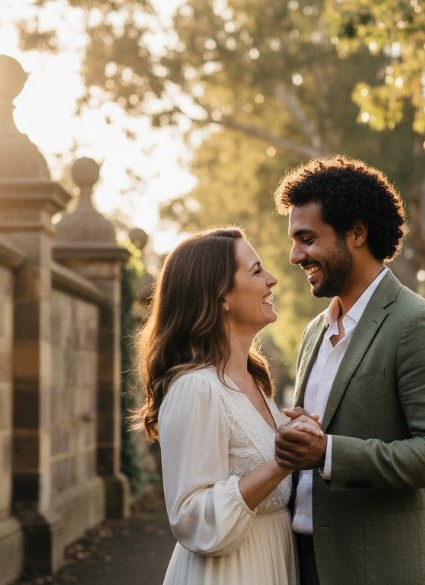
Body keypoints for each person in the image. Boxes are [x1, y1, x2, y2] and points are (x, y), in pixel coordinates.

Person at [272, 156, 425, 585]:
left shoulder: (417, 324)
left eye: (307, 239)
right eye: (293, 240)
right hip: (307, 563)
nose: (294, 255)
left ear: (357, 233)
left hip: (385, 569)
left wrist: (327, 453)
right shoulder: (314, 332)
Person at [135, 228, 318, 585]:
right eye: (256, 271)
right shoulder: (195, 388)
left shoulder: (256, 381)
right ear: (221, 297)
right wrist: (282, 462)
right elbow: (191, 518)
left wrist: (301, 437)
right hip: (228, 573)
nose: (272, 279)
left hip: (275, 563)